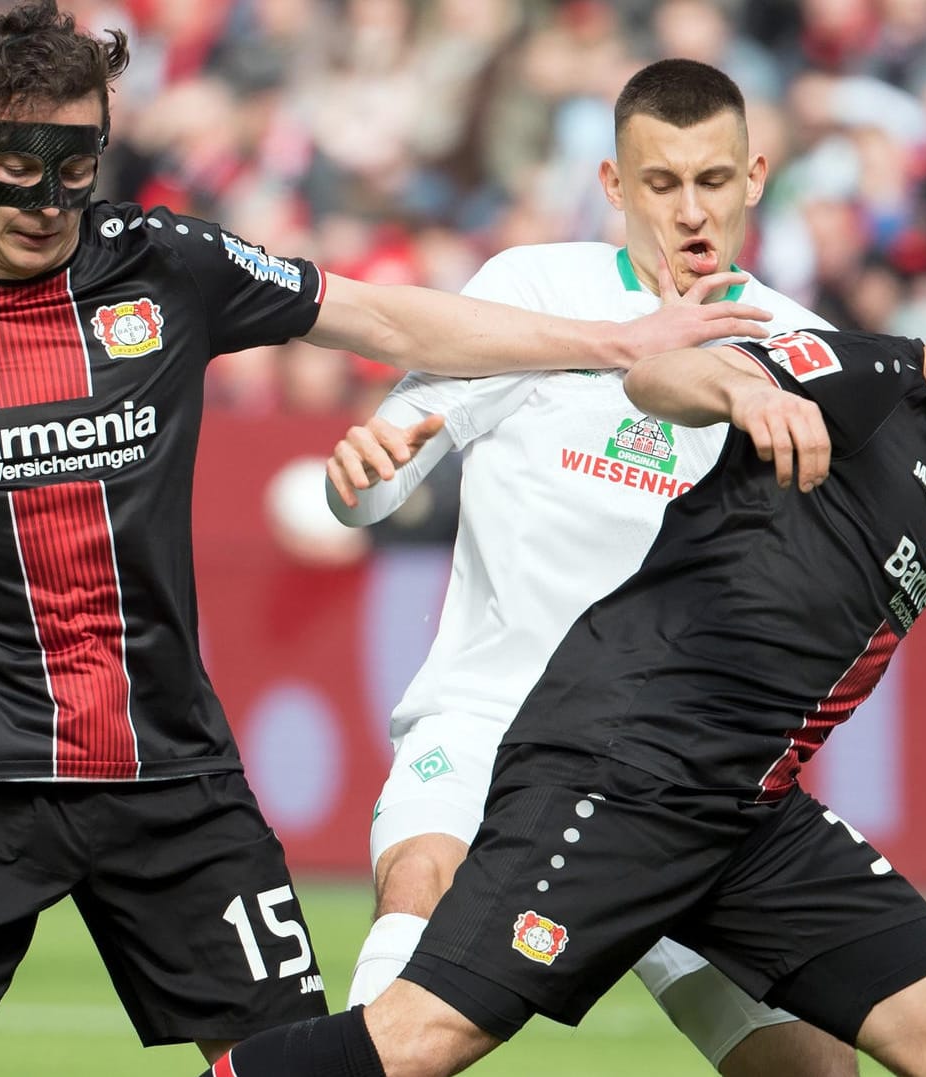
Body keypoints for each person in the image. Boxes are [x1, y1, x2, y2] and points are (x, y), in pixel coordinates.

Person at [0, 4, 769, 1076]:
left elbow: (387, 320)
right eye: (14, 163)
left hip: (163, 773)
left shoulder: (164, 262)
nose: (44, 197)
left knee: (298, 1067)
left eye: (72, 161)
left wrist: (613, 341)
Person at [208, 229, 926, 1077]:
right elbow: (663, 381)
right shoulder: (857, 376)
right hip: (621, 775)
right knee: (418, 1037)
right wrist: (742, 390)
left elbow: (913, 531)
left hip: (747, 815)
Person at [325, 58, 854, 1076]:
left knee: (811, 1067)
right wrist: (357, 481)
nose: (689, 211)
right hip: (486, 722)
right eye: (660, 184)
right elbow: (381, 476)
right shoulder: (530, 288)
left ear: (756, 176)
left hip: (668, 766)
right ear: (614, 185)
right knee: (421, 891)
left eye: (712, 180)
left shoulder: (811, 352)